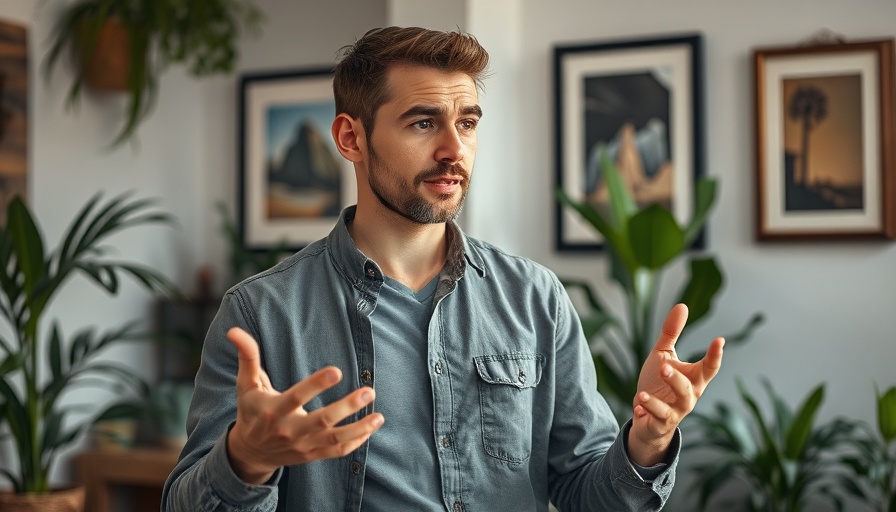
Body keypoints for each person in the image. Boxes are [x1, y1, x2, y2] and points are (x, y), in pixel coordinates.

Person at [161, 26, 725, 512]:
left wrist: (648, 442)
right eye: (423, 123)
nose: (454, 149)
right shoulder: (261, 314)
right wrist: (246, 459)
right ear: (351, 138)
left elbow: (588, 492)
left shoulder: (535, 298)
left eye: (468, 123)